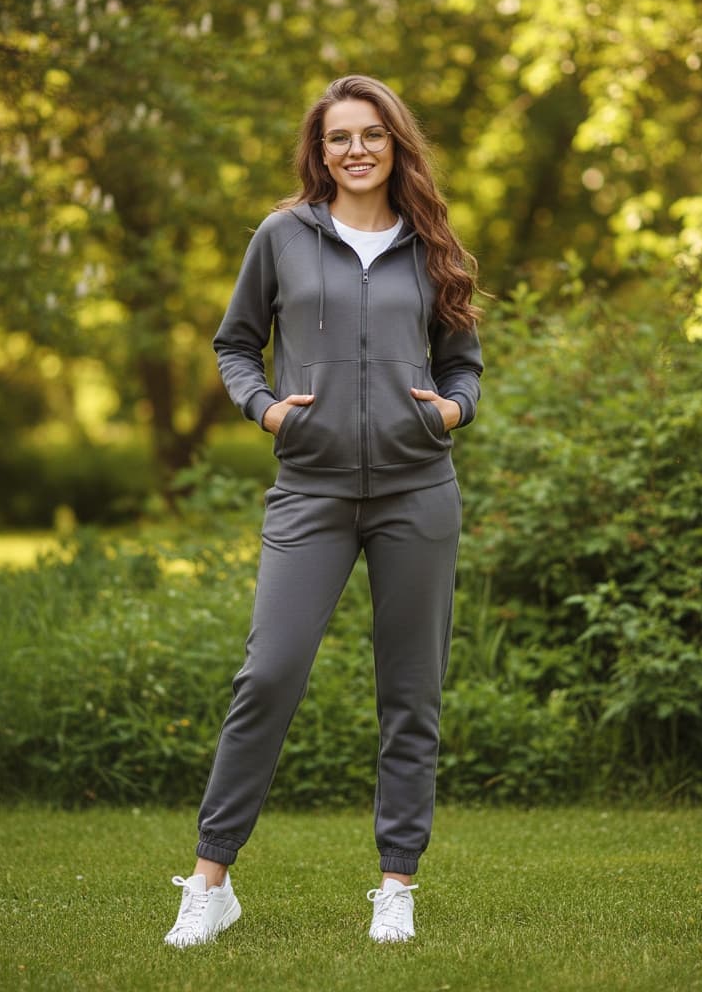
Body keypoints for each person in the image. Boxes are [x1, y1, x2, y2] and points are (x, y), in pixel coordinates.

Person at [164, 74, 483, 949]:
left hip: (419, 489)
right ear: (320, 150)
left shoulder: (431, 244)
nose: (356, 150)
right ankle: (210, 881)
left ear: (395, 145)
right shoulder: (282, 237)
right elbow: (236, 343)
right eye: (340, 136)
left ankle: (396, 886)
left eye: (372, 135)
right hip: (311, 489)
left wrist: (452, 410)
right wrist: (265, 407)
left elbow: (465, 363)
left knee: (410, 693)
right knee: (268, 676)